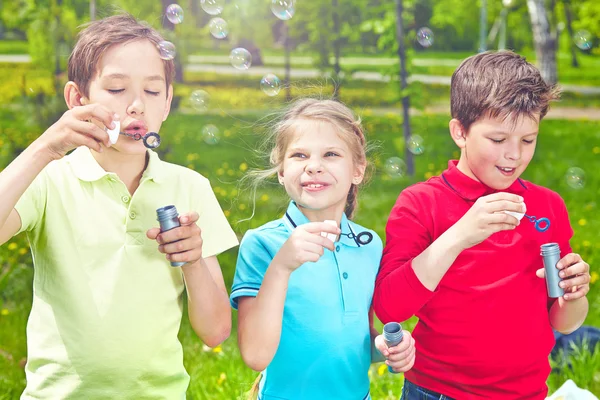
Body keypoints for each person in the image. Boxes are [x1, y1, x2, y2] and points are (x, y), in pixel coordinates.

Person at [0, 13, 238, 399]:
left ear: (168, 102)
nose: (136, 106)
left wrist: (193, 261)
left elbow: (215, 331)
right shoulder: (49, 179)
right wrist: (44, 148)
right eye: (115, 89)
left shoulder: (188, 187)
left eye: (152, 91)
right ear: (78, 100)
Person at [373, 51, 591, 400]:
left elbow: (563, 321)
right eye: (498, 140)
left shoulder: (548, 206)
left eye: (528, 140)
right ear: (460, 131)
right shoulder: (420, 204)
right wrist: (459, 235)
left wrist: (575, 295)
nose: (514, 155)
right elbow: (389, 308)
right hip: (438, 392)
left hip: (526, 392)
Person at [231, 98, 416, 400]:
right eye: (299, 155)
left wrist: (385, 347)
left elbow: (355, 339)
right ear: (280, 171)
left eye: (330, 154)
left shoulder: (368, 245)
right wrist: (282, 266)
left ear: (358, 170)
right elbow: (255, 354)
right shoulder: (262, 245)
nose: (313, 166)